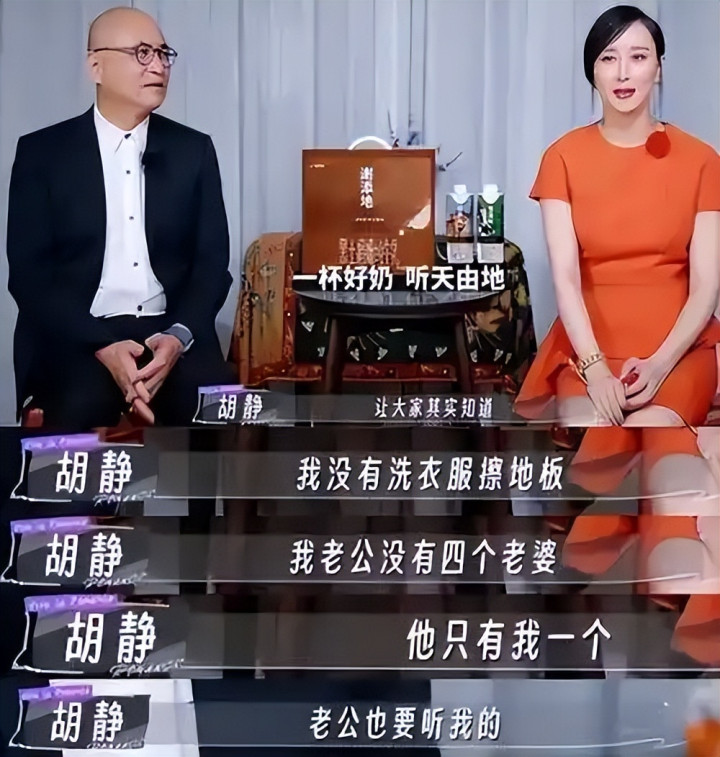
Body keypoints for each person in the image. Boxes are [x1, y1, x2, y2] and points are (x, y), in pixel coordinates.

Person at [514, 5, 720, 666]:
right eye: (609, 58)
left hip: (681, 346)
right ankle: (670, 611)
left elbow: (706, 288)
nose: (624, 72)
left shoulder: (702, 160)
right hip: (588, 342)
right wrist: (598, 366)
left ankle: (614, 577)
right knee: (633, 426)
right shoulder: (563, 157)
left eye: (638, 56)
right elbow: (566, 279)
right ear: (593, 72)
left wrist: (658, 364)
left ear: (659, 67)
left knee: (657, 424)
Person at [7, 6, 235, 430]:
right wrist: (102, 346)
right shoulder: (43, 154)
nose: (159, 66)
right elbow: (29, 276)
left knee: (220, 409)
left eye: (164, 54)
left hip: (169, 331)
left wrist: (178, 336)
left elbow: (211, 266)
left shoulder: (193, 150)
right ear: (96, 66)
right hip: (78, 335)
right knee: (76, 410)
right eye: (142, 53)